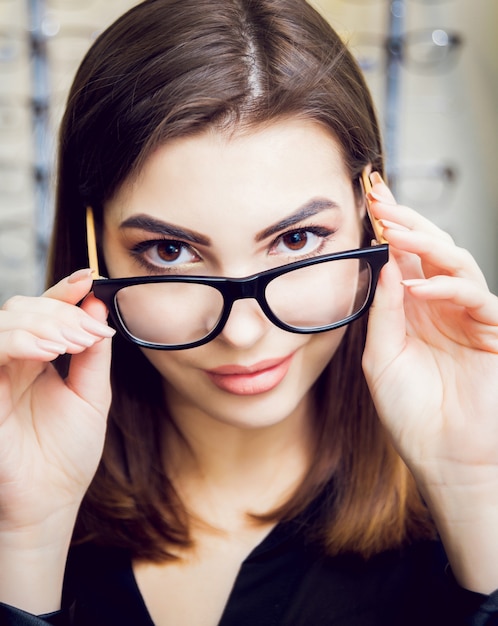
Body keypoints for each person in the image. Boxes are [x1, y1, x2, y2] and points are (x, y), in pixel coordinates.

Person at [0, 0, 497, 624]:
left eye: (296, 239)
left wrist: (474, 488)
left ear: (375, 212)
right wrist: (26, 536)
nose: (242, 333)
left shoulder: (471, 499)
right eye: (170, 251)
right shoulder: (22, 492)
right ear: (94, 245)